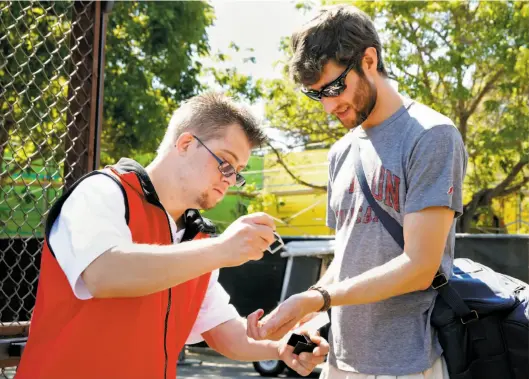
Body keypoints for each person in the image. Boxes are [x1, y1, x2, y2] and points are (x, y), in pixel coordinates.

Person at [16, 92, 329, 379]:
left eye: (237, 171)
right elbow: (102, 273)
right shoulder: (102, 191)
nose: (229, 179)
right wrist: (221, 250)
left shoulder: (197, 240)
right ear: (185, 144)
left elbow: (223, 332)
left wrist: (281, 347)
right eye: (225, 163)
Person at [247, 5, 467, 379]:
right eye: (317, 95)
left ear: (369, 59)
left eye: (334, 87)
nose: (330, 105)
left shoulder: (431, 136)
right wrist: (310, 319)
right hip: (340, 363)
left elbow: (420, 266)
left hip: (409, 364)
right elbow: (349, 262)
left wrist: (319, 297)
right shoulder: (341, 152)